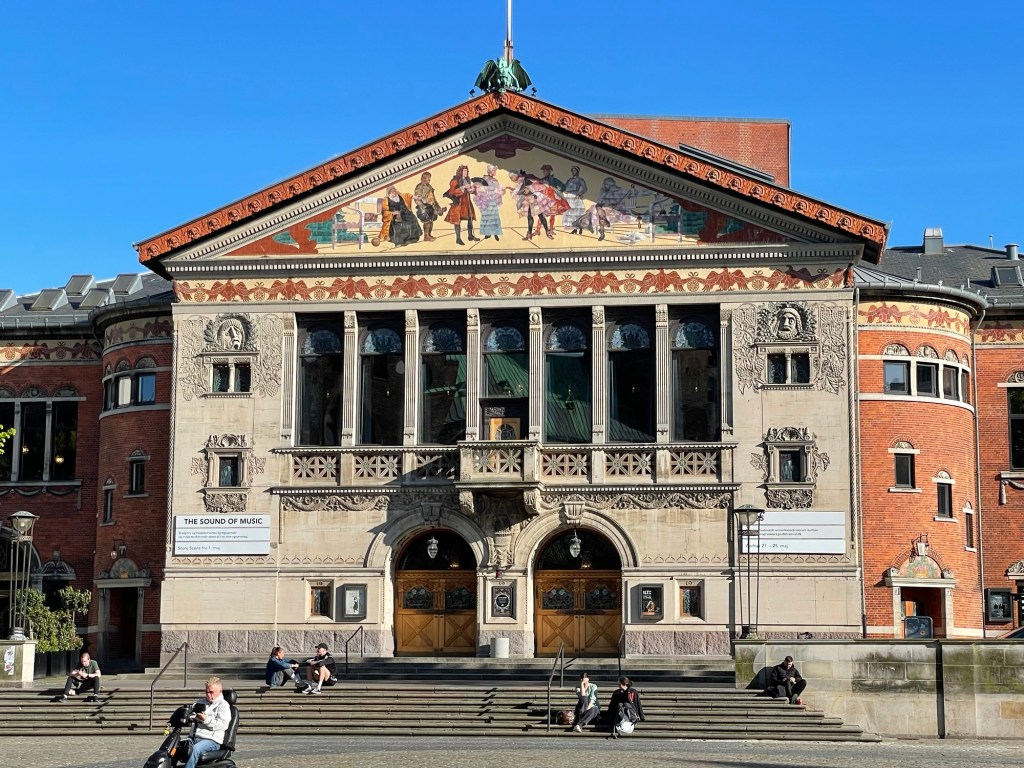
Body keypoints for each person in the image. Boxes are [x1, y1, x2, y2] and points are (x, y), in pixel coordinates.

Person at [184, 677, 231, 768]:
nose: (208, 695)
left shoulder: (223, 705)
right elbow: (191, 714)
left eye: (211, 692)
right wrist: (191, 717)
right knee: (177, 747)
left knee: (195, 749)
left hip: (212, 740)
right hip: (194, 737)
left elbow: (222, 725)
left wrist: (206, 719)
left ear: (220, 691)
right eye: (206, 692)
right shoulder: (200, 702)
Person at [444, 165, 479, 245]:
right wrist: (463, 187)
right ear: (460, 172)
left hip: (466, 203)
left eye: (467, 171)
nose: (466, 172)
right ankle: (458, 239)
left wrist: (472, 189)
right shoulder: (455, 180)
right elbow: (452, 192)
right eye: (464, 171)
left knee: (470, 218)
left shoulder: (467, 179)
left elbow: (469, 190)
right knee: (457, 221)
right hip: (458, 203)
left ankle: (470, 236)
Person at [413, 171, 443, 241]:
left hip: (431, 206)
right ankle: (426, 236)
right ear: (423, 178)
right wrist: (422, 207)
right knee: (427, 221)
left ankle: (429, 235)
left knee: (431, 221)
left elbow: (432, 197)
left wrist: (437, 205)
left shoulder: (429, 186)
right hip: (424, 207)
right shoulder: (419, 187)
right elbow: (417, 199)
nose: (429, 180)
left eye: (429, 178)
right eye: (428, 178)